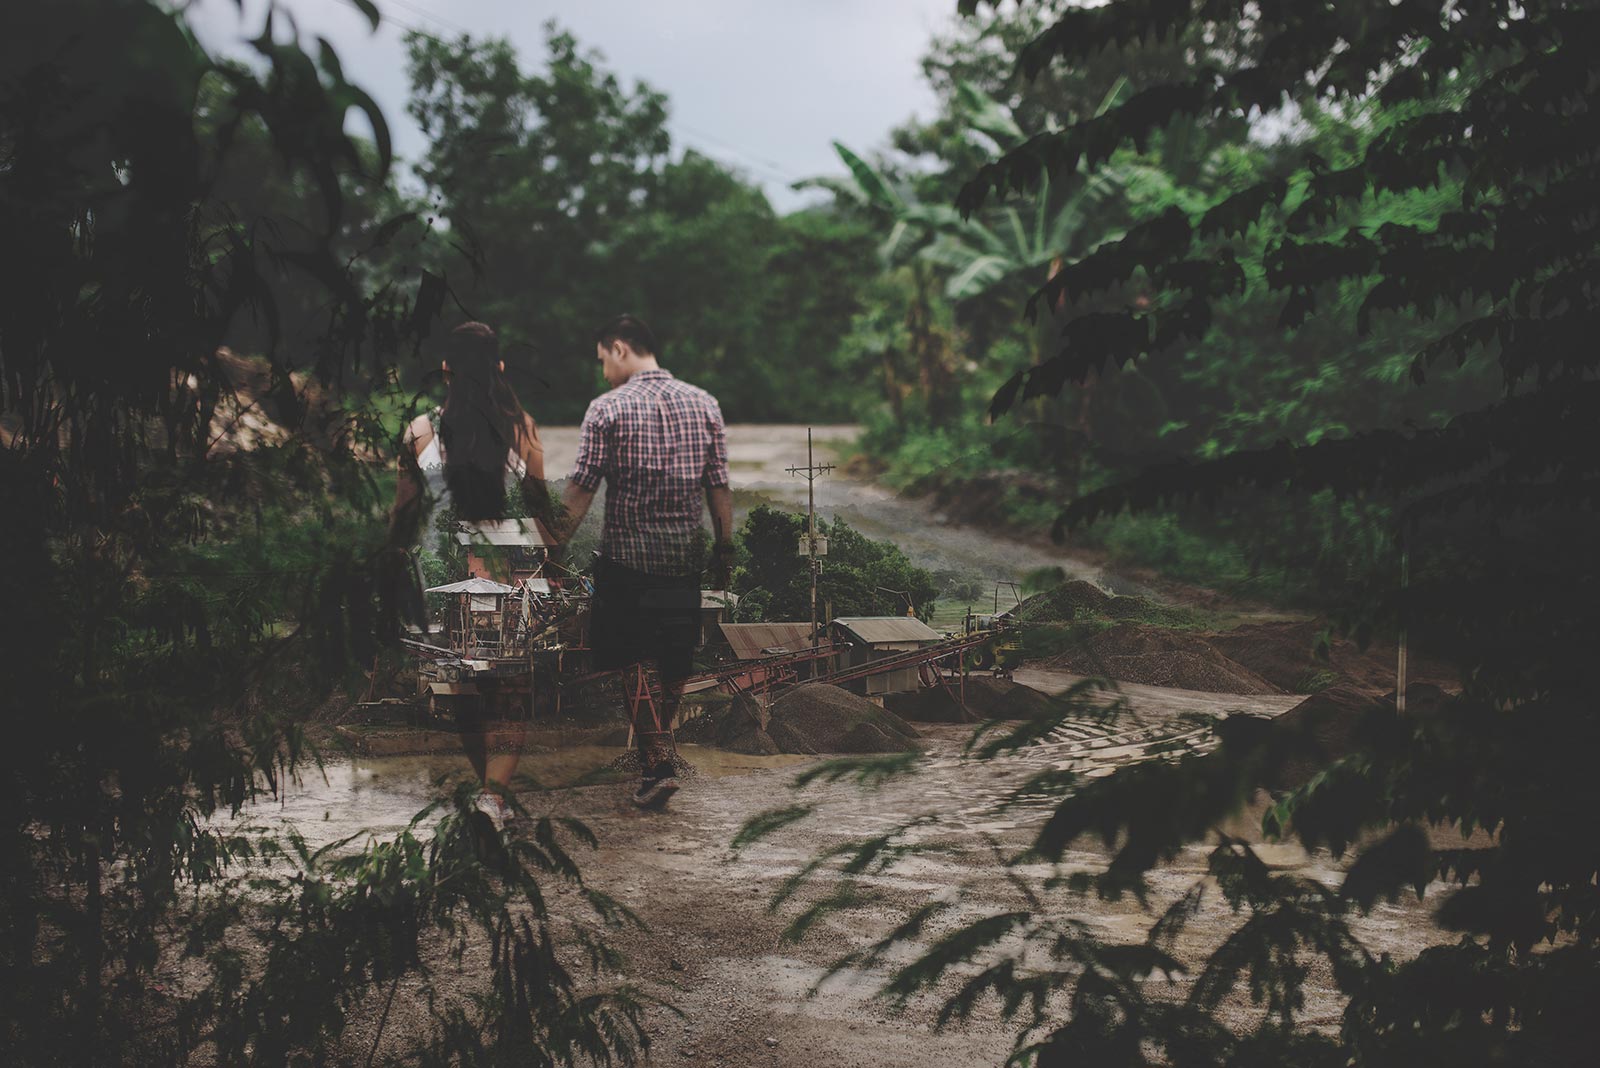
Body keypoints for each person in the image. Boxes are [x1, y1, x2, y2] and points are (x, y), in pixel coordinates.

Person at [556, 314, 733, 808]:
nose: (603, 373)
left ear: (619, 349)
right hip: (683, 557)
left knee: (630, 657)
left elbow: (581, 488)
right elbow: (717, 485)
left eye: (602, 362)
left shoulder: (606, 409)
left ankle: (656, 760)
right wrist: (725, 548)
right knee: (674, 660)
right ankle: (660, 756)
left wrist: (553, 548)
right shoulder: (706, 404)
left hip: (626, 558)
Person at [390, 320, 554, 825]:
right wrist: (557, 573)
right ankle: (493, 797)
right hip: (506, 582)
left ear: (445, 371)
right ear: (499, 368)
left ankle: (489, 797)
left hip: (441, 582)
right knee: (508, 698)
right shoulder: (521, 428)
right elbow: (541, 511)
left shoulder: (419, 433)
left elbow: (403, 516)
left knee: (463, 695)